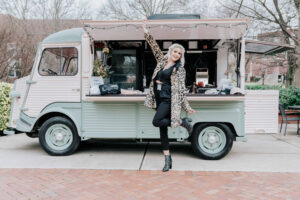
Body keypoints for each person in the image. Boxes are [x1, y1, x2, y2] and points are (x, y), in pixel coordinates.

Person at [142, 19, 196, 172]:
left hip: (168, 99)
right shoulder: (162, 61)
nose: (177, 54)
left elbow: (181, 90)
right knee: (162, 130)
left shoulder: (179, 69)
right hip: (158, 99)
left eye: (180, 53)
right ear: (171, 51)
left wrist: (187, 106)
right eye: (175, 51)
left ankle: (182, 121)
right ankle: (168, 160)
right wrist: (146, 31)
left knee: (156, 121)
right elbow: (154, 47)